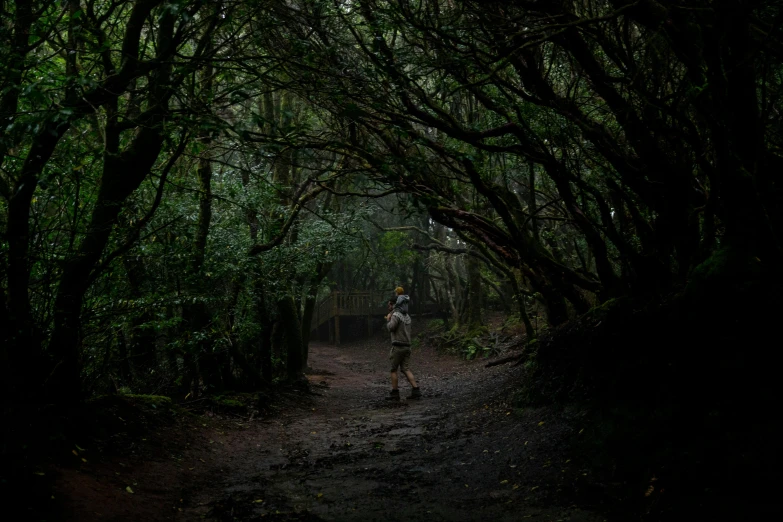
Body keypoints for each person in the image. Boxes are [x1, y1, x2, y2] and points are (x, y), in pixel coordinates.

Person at [385, 286, 421, 401]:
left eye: (389, 305)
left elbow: (391, 328)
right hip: (407, 346)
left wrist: (388, 319)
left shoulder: (396, 315)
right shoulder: (407, 316)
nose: (388, 307)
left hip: (398, 347)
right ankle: (416, 390)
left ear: (393, 304)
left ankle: (395, 393)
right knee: (406, 369)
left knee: (393, 369)